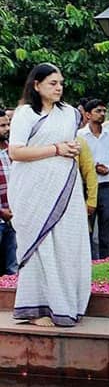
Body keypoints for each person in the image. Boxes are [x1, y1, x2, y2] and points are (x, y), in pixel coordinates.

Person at [8, 63, 91, 326]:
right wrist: (56, 148)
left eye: (61, 83)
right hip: (33, 191)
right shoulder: (25, 114)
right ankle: (35, 310)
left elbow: (70, 143)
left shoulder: (68, 113)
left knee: (67, 245)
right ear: (36, 85)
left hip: (65, 190)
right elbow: (16, 152)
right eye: (53, 83)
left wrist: (70, 148)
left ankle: (65, 305)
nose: (59, 88)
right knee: (39, 245)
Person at [78, 99, 109, 259]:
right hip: (85, 187)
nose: (102, 114)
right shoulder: (79, 136)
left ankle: (106, 261)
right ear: (88, 114)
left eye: (104, 111)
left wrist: (108, 170)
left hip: (106, 186)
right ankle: (87, 261)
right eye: (98, 111)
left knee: (108, 224)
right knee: (85, 227)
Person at [0, 111, 16, 275]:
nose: (7, 129)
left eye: (8, 124)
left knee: (14, 268)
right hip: (1, 214)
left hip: (14, 216)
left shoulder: (12, 150)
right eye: (2, 125)